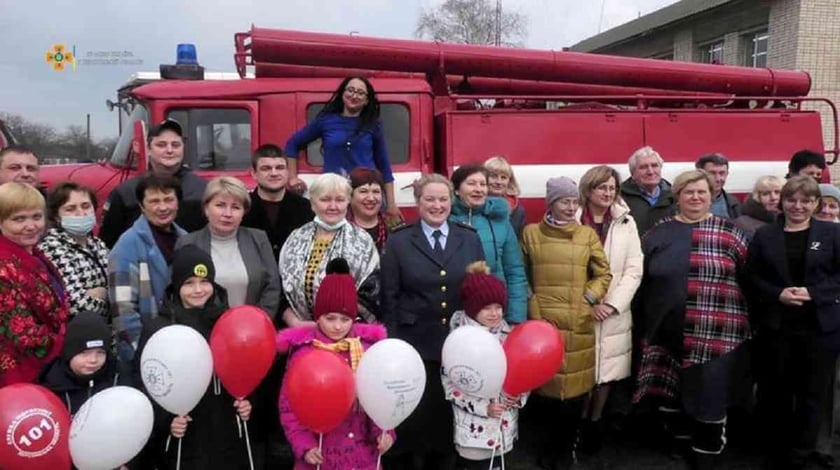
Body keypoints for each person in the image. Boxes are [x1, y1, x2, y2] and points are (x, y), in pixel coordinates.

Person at [633, 170, 750, 469]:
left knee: (710, 389)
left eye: (701, 192)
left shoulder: (731, 232)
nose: (695, 197)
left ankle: (707, 448)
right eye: (688, 192)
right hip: (666, 327)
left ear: (711, 195)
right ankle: (679, 439)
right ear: (677, 196)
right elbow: (640, 279)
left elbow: (749, 278)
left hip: (717, 330)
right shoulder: (658, 233)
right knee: (672, 388)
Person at [380, 173, 484, 470]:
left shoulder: (469, 238)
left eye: (443, 199)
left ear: (451, 201)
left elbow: (477, 292)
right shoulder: (400, 241)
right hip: (413, 347)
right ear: (417, 202)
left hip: (456, 348)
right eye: (430, 199)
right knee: (412, 422)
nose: (437, 206)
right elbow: (390, 298)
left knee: (444, 426)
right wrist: (392, 347)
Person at [746, 175, 840, 469]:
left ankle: (803, 451)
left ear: (815, 204)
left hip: (820, 327)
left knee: (814, 392)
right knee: (777, 391)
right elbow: (750, 278)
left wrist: (814, 292)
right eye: (791, 200)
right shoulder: (765, 236)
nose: (797, 206)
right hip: (778, 327)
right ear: (782, 202)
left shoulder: (832, 234)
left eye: (806, 201)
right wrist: (778, 294)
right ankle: (778, 449)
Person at [520, 176, 612, 467]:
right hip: (543, 325)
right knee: (546, 393)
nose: (571, 207)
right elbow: (520, 275)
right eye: (564, 201)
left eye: (574, 201)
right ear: (551, 203)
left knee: (574, 396)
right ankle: (547, 450)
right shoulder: (531, 233)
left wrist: (587, 300)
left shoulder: (586, 235)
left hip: (578, 325)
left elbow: (603, 274)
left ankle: (565, 451)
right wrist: (534, 304)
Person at [137, 245, 252, 470]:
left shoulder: (228, 322)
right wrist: (166, 420)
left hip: (225, 428)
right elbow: (146, 381)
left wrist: (249, 401)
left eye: (204, 282)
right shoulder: (159, 328)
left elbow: (245, 367)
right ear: (176, 286)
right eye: (189, 283)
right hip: (184, 432)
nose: (198, 290)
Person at [277, 258, 395, 470]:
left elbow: (381, 398)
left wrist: (384, 432)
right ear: (318, 316)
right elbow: (289, 407)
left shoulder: (367, 350)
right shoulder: (304, 352)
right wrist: (305, 445)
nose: (338, 326)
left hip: (363, 456)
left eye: (345, 319)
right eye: (330, 318)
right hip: (321, 456)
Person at [576, 166, 643, 453]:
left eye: (612, 187)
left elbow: (633, 269)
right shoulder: (573, 220)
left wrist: (613, 304)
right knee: (581, 372)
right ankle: (576, 427)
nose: (607, 193)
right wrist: (588, 303)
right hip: (580, 310)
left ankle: (595, 424)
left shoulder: (626, 222)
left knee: (607, 372)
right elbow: (564, 269)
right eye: (601, 187)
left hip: (615, 311)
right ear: (588, 190)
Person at [442, 261, 528, 470]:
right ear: (473, 308)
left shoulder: (508, 336)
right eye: (487, 308)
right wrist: (483, 408)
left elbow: (524, 373)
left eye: (499, 307)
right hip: (473, 435)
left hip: (503, 429)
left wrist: (519, 396)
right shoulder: (459, 342)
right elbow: (451, 386)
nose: (495, 313)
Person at [284, 76, 400, 220]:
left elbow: (384, 166)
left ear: (366, 100)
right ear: (342, 93)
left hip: (365, 193)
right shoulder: (326, 122)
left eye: (360, 92)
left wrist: (391, 204)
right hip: (334, 192)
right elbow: (292, 144)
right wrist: (293, 178)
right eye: (350, 90)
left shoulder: (373, 125)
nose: (354, 95)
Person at [279, 173, 380, 326]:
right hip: (301, 331)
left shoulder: (362, 240)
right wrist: (294, 322)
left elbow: (372, 295)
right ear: (312, 203)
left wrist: (335, 325)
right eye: (325, 199)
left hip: (346, 333)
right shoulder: (296, 238)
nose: (333, 206)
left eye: (340, 200)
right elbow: (281, 289)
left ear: (348, 202)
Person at [109, 175, 187, 363]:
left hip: (182, 346)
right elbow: (123, 309)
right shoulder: (127, 245)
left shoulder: (185, 239)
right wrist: (139, 354)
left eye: (169, 199)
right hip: (146, 350)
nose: (162, 207)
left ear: (177, 203)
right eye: (154, 201)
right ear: (142, 206)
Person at [176, 176, 281, 316]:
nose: (228, 214)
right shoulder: (188, 243)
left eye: (236, 207)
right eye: (220, 205)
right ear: (206, 208)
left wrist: (256, 321)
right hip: (204, 328)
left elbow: (272, 287)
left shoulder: (258, 238)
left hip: (253, 328)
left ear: (244, 212)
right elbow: (180, 291)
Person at [0, 182, 69, 386]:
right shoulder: (4, 267)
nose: (31, 226)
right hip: (23, 375)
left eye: (36, 217)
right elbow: (23, 335)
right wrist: (70, 342)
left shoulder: (35, 254)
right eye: (19, 219)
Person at [99, 119, 207, 248]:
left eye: (176, 145)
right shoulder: (125, 193)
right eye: (161, 145)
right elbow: (108, 242)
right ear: (148, 149)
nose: (169, 150)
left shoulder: (204, 190)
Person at [449, 164, 528, 324]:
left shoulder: (501, 222)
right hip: (455, 313)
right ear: (457, 190)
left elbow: (515, 272)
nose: (478, 189)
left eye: (482, 184)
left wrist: (516, 318)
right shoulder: (447, 220)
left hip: (494, 315)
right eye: (471, 184)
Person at [39, 182, 110, 318]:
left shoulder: (97, 244)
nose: (81, 213)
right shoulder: (51, 247)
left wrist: (102, 293)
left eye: (86, 206)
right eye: (70, 209)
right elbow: (76, 306)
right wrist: (110, 298)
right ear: (56, 216)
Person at [38, 311, 130, 415]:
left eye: (100, 352)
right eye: (85, 353)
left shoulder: (118, 378)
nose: (93, 360)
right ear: (69, 353)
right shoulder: (51, 388)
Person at [241, 144, 314, 261]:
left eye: (280, 167)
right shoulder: (242, 208)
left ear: (287, 171)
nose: (274, 173)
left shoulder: (307, 208)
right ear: (253, 173)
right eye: (266, 168)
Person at [620, 146, 676, 235]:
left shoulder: (675, 196)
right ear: (633, 174)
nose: (650, 172)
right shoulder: (619, 199)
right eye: (643, 167)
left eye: (654, 166)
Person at [348, 167, 401, 254]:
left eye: (376, 192)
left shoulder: (396, 227)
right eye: (363, 191)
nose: (371, 198)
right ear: (350, 196)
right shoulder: (340, 229)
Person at [484, 155, 526, 237]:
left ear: (509, 181)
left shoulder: (518, 211)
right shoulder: (475, 206)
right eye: (493, 176)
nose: (499, 182)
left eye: (503, 177)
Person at [695, 153, 741, 218]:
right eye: (712, 173)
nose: (718, 179)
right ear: (699, 173)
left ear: (727, 174)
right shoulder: (682, 201)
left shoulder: (734, 203)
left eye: (722, 173)